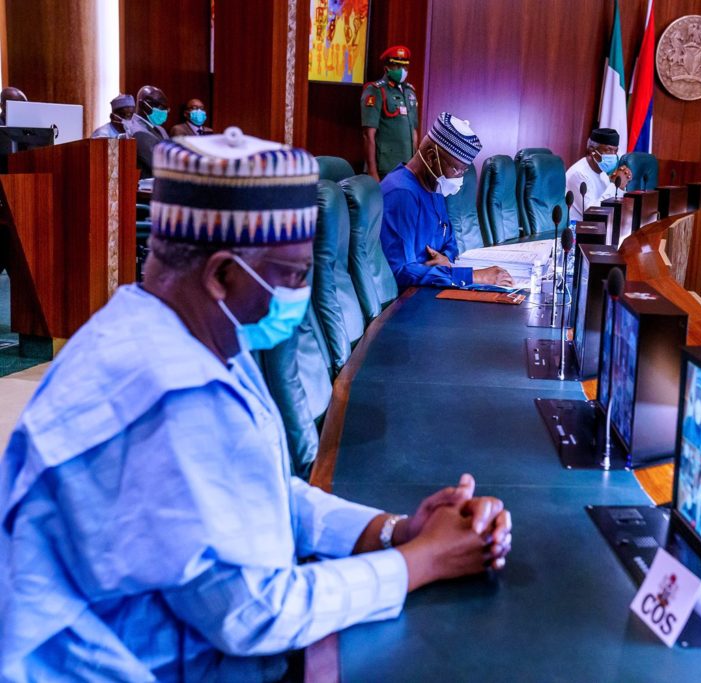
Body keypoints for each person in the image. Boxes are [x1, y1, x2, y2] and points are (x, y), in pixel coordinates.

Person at [0, 129, 512, 681]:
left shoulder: (184, 327)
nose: (300, 293)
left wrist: (395, 532)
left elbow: (260, 488)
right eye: (292, 276)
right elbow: (255, 612)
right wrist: (423, 562)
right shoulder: (171, 393)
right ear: (222, 274)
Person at [381, 112, 513, 288]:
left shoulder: (434, 186)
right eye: (456, 169)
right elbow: (402, 271)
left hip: (434, 287)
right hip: (410, 300)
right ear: (431, 157)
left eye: (463, 172)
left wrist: (446, 260)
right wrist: (474, 276)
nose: (458, 179)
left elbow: (449, 243)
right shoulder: (401, 194)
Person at [361, 45, 419, 181]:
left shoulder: (409, 92)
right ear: (387, 67)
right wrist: (372, 171)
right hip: (385, 168)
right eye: (397, 66)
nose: (402, 70)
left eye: (405, 67)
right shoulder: (375, 90)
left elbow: (414, 133)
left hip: (407, 168)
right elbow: (368, 135)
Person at [564, 128, 633, 221]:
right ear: (592, 151)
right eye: (608, 150)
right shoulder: (578, 174)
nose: (613, 155)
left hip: (599, 227)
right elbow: (593, 214)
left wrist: (621, 186)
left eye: (615, 151)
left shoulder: (603, 173)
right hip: (578, 229)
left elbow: (614, 206)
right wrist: (615, 186)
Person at [125, 85, 171, 178]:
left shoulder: (160, 129)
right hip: (147, 189)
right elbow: (163, 166)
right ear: (143, 105)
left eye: (166, 109)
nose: (165, 112)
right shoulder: (138, 132)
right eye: (161, 107)